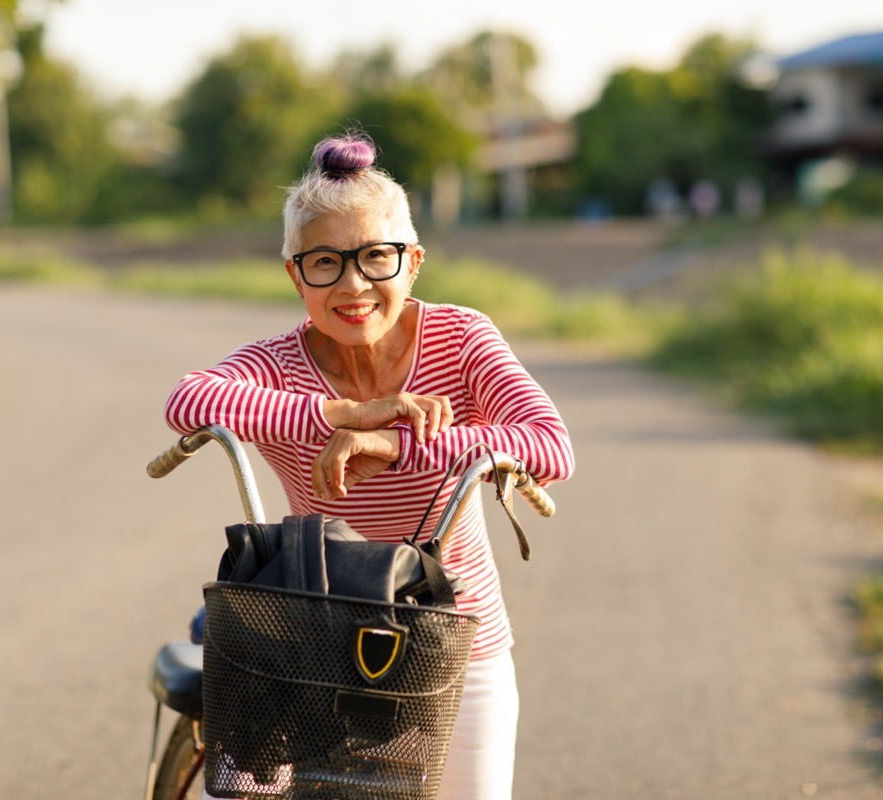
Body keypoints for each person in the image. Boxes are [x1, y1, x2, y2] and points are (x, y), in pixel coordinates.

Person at [164, 130, 575, 800]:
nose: (352, 285)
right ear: (295, 275)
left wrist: (393, 444)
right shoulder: (276, 362)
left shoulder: (462, 337)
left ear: (411, 263)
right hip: (310, 642)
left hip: (453, 645)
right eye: (324, 262)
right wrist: (339, 415)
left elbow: (549, 444)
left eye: (375, 258)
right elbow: (187, 400)